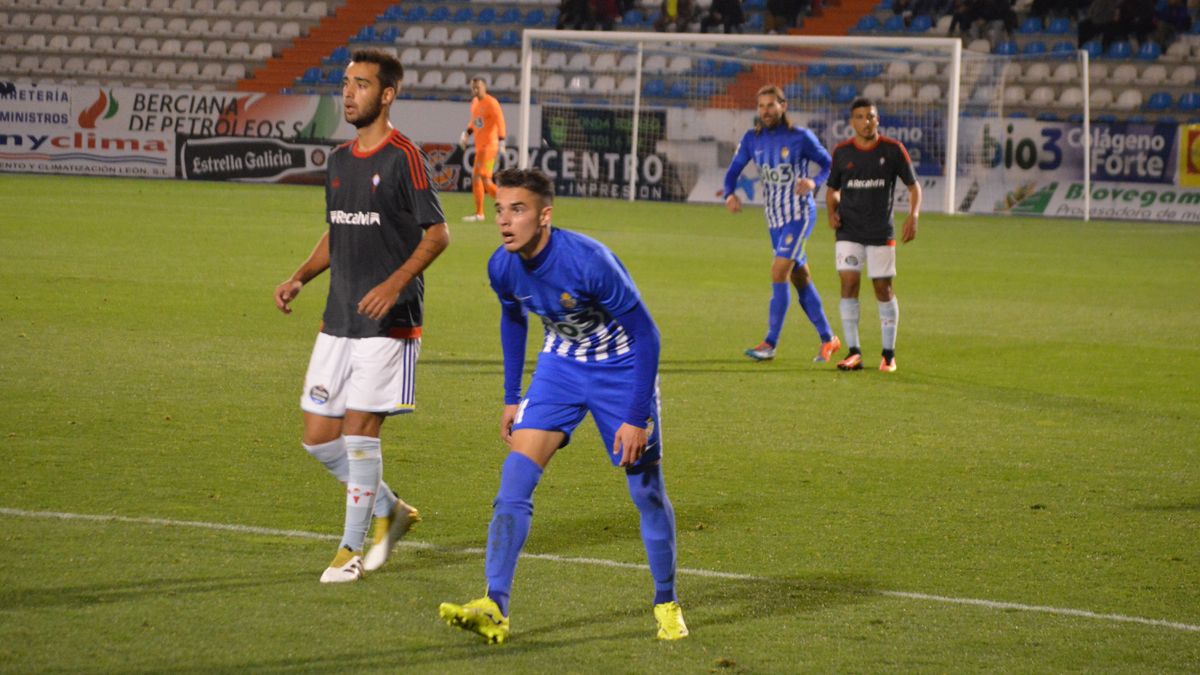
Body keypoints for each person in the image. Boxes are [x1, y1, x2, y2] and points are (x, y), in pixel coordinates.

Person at [438, 168, 687, 644]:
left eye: (518, 210)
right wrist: (512, 398)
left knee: (647, 491)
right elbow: (513, 319)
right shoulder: (503, 265)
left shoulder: (589, 261)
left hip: (621, 368)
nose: (505, 221)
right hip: (561, 368)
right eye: (500, 210)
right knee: (516, 476)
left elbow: (647, 334)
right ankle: (495, 604)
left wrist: (636, 416)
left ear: (545, 215)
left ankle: (666, 600)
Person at [273, 48, 450, 582]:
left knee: (358, 434)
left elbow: (438, 233)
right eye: (346, 83)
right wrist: (301, 275)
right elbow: (339, 229)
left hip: (389, 323)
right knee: (317, 437)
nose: (349, 93)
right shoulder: (340, 162)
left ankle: (351, 550)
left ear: (387, 94)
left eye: (362, 85)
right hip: (338, 319)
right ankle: (389, 510)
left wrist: (394, 284)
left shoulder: (405, 157)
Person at [723, 84, 841, 364]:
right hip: (774, 219)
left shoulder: (801, 137)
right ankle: (829, 339)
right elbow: (733, 170)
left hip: (799, 216)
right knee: (801, 279)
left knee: (779, 272)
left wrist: (814, 182)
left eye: (771, 105)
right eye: (761, 106)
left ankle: (770, 343)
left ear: (783, 106)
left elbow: (829, 164)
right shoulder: (752, 139)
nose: (765, 111)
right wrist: (730, 193)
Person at [824, 98, 919, 373]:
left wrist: (913, 216)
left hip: (880, 232)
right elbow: (833, 190)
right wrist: (831, 211)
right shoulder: (842, 152)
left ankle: (888, 355)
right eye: (861, 117)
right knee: (848, 284)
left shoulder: (892, 150)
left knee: (883, 289)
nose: (867, 121)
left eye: (871, 116)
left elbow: (914, 188)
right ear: (852, 122)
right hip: (849, 230)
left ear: (877, 120)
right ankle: (854, 352)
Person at [459, 76, 507, 222]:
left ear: (484, 87)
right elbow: (475, 122)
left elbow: (500, 121)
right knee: (486, 180)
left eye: (477, 87)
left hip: (489, 146)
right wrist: (466, 134)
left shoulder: (492, 103)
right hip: (481, 146)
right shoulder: (474, 103)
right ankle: (507, 202)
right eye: (473, 87)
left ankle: (479, 214)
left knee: (476, 176)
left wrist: (502, 140)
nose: (475, 90)